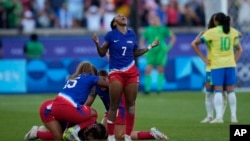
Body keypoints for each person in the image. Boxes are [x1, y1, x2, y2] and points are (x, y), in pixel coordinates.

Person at [92, 14, 159, 141]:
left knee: (131, 105)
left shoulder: (132, 34)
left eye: (123, 16)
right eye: (118, 16)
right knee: (114, 106)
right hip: (116, 73)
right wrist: (96, 43)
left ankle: (128, 136)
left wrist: (150, 47)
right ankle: (111, 137)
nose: (122, 16)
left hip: (131, 73)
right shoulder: (111, 35)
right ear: (114, 23)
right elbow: (102, 53)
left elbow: (135, 52)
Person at [85, 69, 168, 140]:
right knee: (103, 133)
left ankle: (152, 134)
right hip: (110, 110)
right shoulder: (96, 86)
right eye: (100, 81)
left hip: (122, 108)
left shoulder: (114, 85)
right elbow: (88, 102)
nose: (102, 83)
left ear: (108, 78)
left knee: (120, 135)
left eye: (104, 80)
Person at [191, 12, 243, 123]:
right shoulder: (229, 32)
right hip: (222, 66)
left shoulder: (211, 33)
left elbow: (194, 43)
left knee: (217, 92)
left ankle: (219, 117)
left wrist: (203, 58)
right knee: (217, 92)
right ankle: (213, 116)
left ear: (215, 21)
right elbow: (240, 36)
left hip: (215, 66)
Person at [48, 61, 108, 141]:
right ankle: (74, 131)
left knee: (60, 134)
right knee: (93, 113)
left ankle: (38, 132)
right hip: (69, 109)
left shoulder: (72, 78)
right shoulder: (90, 78)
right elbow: (87, 104)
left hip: (53, 107)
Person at [24, 99, 107, 141]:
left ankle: (44, 129)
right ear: (91, 133)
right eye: (92, 139)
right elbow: (68, 131)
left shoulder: (90, 125)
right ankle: (36, 133)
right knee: (60, 137)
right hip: (49, 111)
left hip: (59, 113)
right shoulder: (87, 120)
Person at [197, 14, 228, 123]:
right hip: (211, 66)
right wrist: (203, 58)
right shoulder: (209, 33)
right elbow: (195, 43)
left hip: (220, 66)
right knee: (209, 92)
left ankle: (219, 116)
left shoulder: (226, 33)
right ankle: (210, 116)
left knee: (220, 92)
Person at [140, 14, 176, 94]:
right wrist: (144, 50)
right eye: (153, 19)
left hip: (161, 51)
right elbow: (142, 40)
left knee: (161, 69)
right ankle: (147, 90)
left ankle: (159, 90)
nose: (155, 21)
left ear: (159, 20)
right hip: (151, 51)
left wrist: (168, 47)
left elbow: (173, 37)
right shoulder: (148, 29)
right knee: (148, 69)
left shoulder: (164, 28)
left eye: (156, 19)